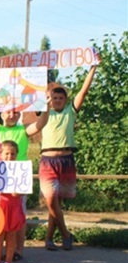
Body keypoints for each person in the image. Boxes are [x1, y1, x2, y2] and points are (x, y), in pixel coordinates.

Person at [0, 88, 50, 260]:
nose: (12, 114)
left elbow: (40, 124)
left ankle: (18, 250)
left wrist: (46, 106)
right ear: (1, 114)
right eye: (8, 111)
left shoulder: (23, 130)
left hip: (18, 178)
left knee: (17, 218)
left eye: (16, 112)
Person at [40, 63, 98, 251]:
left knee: (57, 204)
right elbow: (30, 93)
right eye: (53, 97)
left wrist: (93, 69)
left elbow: (83, 91)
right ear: (49, 99)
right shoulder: (43, 113)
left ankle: (49, 239)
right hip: (48, 161)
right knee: (50, 199)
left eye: (60, 98)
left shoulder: (70, 112)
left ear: (65, 100)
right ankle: (66, 234)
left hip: (66, 161)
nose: (57, 100)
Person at [0, 141, 26, 263]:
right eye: (6, 153)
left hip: (13, 206)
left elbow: (24, 189)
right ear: (0, 154)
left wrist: (19, 192)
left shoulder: (20, 170)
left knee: (11, 235)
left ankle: (8, 261)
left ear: (17, 155)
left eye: (12, 154)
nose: (9, 156)